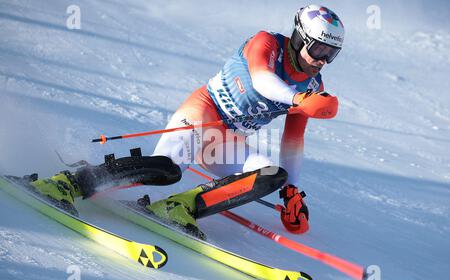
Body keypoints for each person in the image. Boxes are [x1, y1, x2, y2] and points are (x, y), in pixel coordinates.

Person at [29, 5, 345, 236]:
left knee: (273, 174)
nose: (321, 60)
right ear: (298, 38)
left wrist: (292, 192)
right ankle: (65, 183)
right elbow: (262, 79)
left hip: (225, 141)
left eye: (330, 54)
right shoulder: (267, 44)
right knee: (167, 169)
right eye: (317, 48)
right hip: (202, 115)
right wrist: (297, 99)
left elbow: (293, 140)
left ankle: (178, 206)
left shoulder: (313, 88)